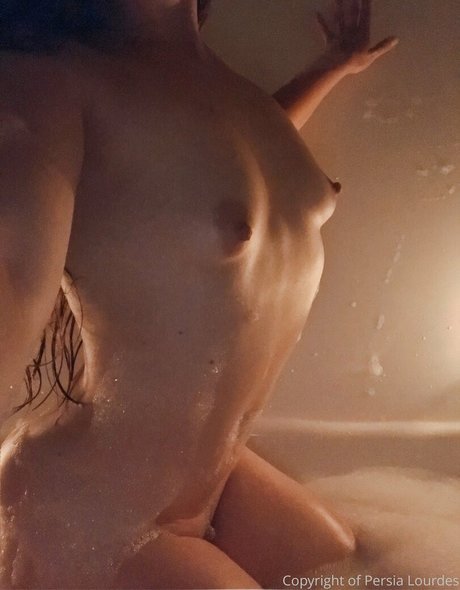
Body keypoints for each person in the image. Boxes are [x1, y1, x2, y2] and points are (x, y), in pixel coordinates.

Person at [0, 1, 398, 587]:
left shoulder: (238, 101)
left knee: (364, 568)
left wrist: (331, 68)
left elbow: (214, 177)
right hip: (85, 512)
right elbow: (13, 284)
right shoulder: (47, 83)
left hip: (216, 480)